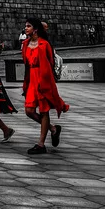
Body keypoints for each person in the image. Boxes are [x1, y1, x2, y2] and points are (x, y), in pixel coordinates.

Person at [22, 17, 69, 155]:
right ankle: (53, 129)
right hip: (32, 79)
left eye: (28, 26)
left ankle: (41, 144)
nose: (26, 28)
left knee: (44, 110)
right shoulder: (25, 44)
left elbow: (50, 62)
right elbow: (26, 63)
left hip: (43, 79)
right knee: (29, 110)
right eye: (26, 26)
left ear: (35, 29)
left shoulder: (44, 44)